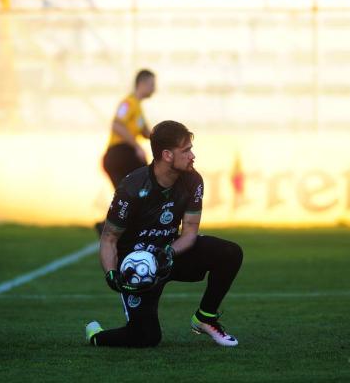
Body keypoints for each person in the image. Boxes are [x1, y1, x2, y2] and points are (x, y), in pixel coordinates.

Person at [86, 120, 243, 347]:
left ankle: (205, 318)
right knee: (146, 338)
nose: (192, 156)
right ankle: (95, 335)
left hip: (169, 255)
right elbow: (109, 237)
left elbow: (189, 232)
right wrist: (111, 273)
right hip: (138, 267)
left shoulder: (193, 180)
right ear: (167, 155)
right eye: (186, 150)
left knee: (230, 253)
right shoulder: (132, 186)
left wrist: (168, 253)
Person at [95, 69, 156, 236]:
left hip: (123, 155)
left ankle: (106, 226)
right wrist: (136, 146)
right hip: (118, 154)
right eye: (151, 84)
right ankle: (148, 223)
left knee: (129, 197)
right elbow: (117, 125)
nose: (154, 88)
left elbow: (145, 131)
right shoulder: (128, 103)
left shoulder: (138, 108)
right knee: (146, 180)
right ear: (141, 84)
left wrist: (161, 136)